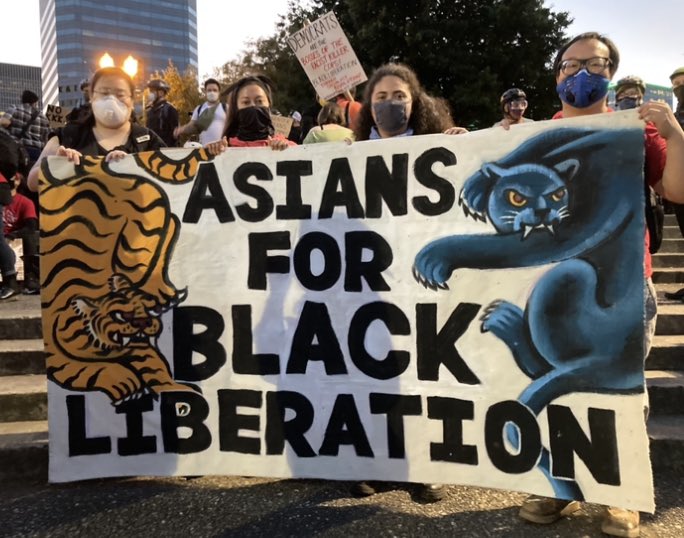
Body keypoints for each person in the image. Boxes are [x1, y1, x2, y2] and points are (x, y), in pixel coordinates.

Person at [514, 32, 684, 538]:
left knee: (621, 391)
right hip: (551, 288)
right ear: (557, 74)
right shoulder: (533, 134)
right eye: (571, 64)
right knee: (556, 388)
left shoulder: (638, 131)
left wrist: (674, 135)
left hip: (625, 286)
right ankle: (557, 488)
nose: (581, 73)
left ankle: (621, 494)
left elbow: (675, 190)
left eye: (595, 63)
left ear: (611, 72)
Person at [351, 62, 466, 503]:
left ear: (415, 102)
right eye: (380, 98)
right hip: (363, 284)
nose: (389, 104)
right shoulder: (349, 152)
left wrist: (463, 144)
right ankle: (365, 463)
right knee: (365, 376)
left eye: (399, 95)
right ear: (367, 105)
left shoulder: (435, 146)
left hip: (418, 283)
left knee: (420, 375)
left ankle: (423, 467)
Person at [27, 66, 166, 192]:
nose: (111, 100)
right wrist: (57, 164)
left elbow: (174, 181)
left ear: (132, 99)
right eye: (104, 93)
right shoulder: (68, 135)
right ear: (92, 97)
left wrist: (136, 166)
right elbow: (32, 182)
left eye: (120, 94)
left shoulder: (148, 139)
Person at [205, 75, 297, 153]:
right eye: (246, 102)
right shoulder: (225, 150)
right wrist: (211, 153)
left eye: (259, 101)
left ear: (269, 104)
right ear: (236, 108)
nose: (253, 106)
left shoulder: (288, 147)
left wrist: (287, 152)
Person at [3, 172, 39, 294]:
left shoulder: (25, 202)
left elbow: (31, 226)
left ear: (18, 181)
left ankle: (29, 276)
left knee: (28, 237)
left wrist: (13, 235)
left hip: (15, 237)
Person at [0, 90, 50, 168]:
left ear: (22, 100)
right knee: (31, 176)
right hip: (36, 152)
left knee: (17, 175)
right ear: (35, 102)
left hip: (17, 150)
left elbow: (4, 122)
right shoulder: (43, 118)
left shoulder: (14, 109)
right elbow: (46, 140)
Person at [174, 78, 226, 146]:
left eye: (215, 90)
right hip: (204, 150)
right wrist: (181, 130)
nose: (212, 92)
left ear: (219, 92)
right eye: (209, 90)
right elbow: (192, 126)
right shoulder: (199, 109)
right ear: (205, 92)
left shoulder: (226, 108)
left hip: (223, 150)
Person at [146, 78, 179, 147]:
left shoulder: (170, 109)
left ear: (161, 92)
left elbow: (175, 134)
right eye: (150, 91)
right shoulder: (150, 110)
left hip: (166, 150)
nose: (150, 94)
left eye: (152, 91)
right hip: (151, 150)